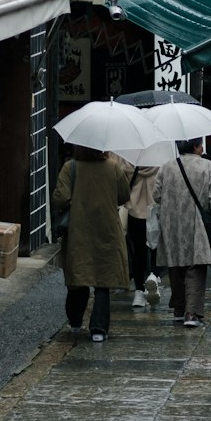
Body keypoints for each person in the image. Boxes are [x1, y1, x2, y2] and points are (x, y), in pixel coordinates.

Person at [53, 146, 130, 343]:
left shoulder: (70, 167)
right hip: (107, 230)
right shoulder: (113, 167)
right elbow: (123, 196)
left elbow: (60, 198)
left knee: (78, 277)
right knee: (103, 281)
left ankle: (76, 321)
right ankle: (98, 329)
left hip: (79, 229)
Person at [152, 138, 211, 326]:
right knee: (196, 266)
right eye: (201, 144)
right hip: (197, 223)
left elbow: (156, 195)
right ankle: (191, 314)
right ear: (195, 146)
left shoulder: (167, 167)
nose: (203, 147)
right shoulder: (207, 166)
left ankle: (179, 309)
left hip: (171, 223)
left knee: (175, 265)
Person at [119, 161, 162, 310]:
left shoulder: (127, 162)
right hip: (155, 211)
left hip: (134, 212)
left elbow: (122, 189)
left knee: (138, 251)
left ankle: (138, 292)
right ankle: (154, 276)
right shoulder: (159, 162)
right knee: (155, 247)